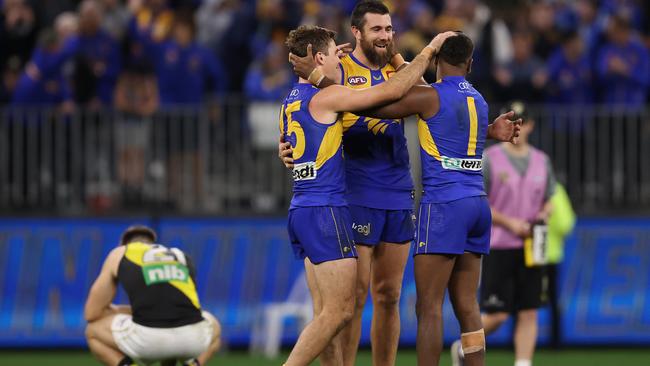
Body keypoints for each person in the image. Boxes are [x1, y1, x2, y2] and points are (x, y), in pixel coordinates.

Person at [287, 31, 521, 366]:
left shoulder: (430, 96)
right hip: (478, 205)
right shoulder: (480, 101)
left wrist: (323, 82)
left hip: (444, 206)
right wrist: (490, 131)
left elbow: (378, 106)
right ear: (470, 64)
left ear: (437, 62)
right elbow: (451, 128)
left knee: (428, 306)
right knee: (469, 307)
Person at [279, 24, 451, 366]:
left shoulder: (290, 101)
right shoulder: (327, 96)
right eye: (332, 55)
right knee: (340, 310)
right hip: (326, 211)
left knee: (325, 313)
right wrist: (428, 52)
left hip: (300, 207)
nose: (341, 63)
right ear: (317, 58)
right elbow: (389, 93)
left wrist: (329, 64)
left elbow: (287, 145)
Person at [453, 101, 556, 366]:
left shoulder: (541, 161)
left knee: (529, 310)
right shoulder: (490, 158)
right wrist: (510, 223)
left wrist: (545, 213)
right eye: (512, 121)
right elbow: (481, 200)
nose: (516, 127)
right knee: (497, 313)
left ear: (530, 125)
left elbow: (550, 198)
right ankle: (464, 347)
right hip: (499, 244)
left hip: (532, 246)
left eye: (521, 122)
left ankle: (523, 362)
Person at [84, 225, 221, 366]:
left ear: (123, 244)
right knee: (214, 325)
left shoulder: (120, 253)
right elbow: (184, 307)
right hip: (192, 339)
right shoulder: (180, 255)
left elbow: (91, 313)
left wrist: (117, 310)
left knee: (92, 330)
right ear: (153, 244)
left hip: (147, 341)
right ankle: (193, 364)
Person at [545, 183, 576, 348]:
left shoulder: (520, 182)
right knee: (553, 299)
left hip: (525, 254)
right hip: (550, 254)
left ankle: (517, 342)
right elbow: (566, 224)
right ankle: (555, 342)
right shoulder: (555, 190)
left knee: (522, 301)